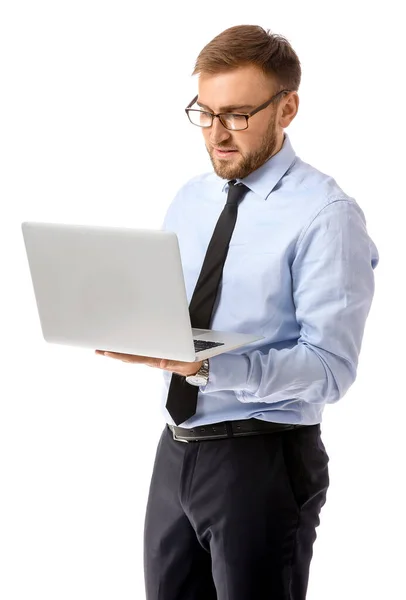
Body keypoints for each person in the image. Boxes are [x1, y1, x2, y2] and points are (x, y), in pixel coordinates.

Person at [96, 24, 379, 600]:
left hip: (264, 458)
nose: (218, 133)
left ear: (288, 108)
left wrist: (205, 369)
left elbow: (331, 370)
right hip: (176, 448)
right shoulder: (190, 198)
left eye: (238, 115)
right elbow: (178, 316)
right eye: (206, 112)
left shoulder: (327, 215)